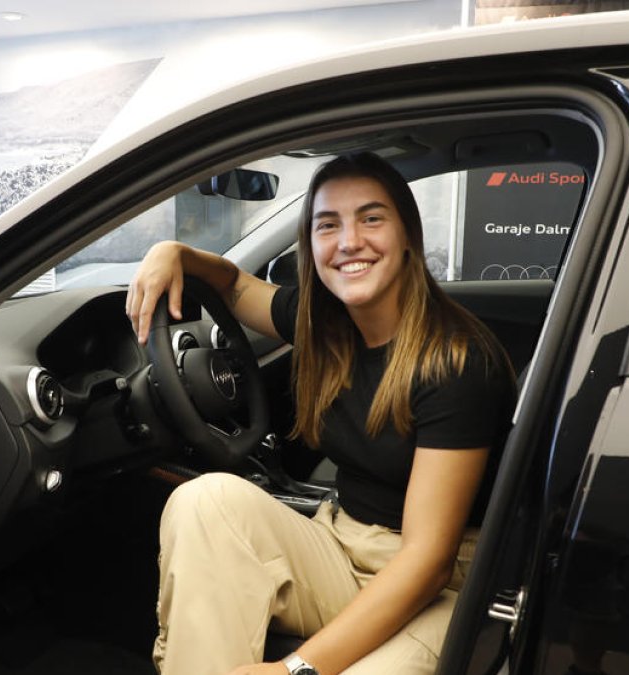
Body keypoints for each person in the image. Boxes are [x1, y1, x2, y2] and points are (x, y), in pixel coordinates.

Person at [126, 152, 516, 675]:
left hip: (444, 587)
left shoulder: (457, 362)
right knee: (204, 500)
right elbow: (235, 285)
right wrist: (171, 251)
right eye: (327, 225)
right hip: (340, 545)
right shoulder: (323, 323)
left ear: (407, 237)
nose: (349, 241)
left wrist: (294, 670)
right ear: (310, 245)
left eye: (371, 218)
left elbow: (427, 562)